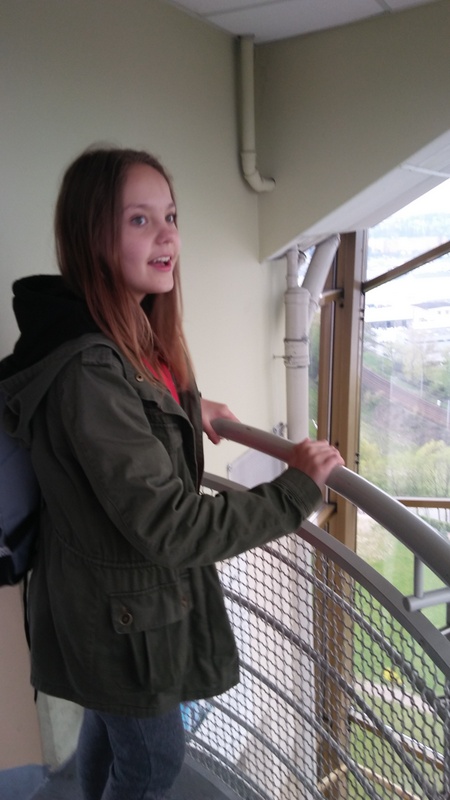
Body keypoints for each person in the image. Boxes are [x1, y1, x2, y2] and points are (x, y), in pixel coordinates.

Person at [0, 147, 344, 800]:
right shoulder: (89, 367)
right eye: (139, 219)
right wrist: (295, 490)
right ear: (92, 235)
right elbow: (171, 524)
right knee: (154, 762)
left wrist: (189, 406)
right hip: (118, 615)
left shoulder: (119, 330)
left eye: (171, 216)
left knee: (112, 730)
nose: (167, 236)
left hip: (109, 605)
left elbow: (129, 414)